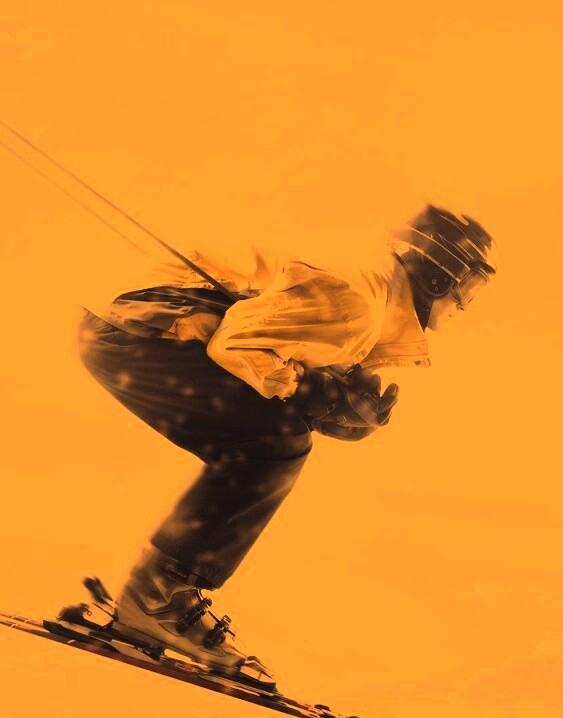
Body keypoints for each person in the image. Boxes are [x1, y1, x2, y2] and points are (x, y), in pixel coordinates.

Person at [77, 203, 496, 691]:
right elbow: (235, 344)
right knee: (274, 444)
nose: (464, 305)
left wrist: (320, 399)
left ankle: (155, 594)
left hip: (129, 332)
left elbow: (268, 352)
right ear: (438, 277)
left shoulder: (371, 303)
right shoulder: (358, 303)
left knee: (273, 438)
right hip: (134, 336)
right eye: (468, 289)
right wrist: (311, 394)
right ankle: (157, 598)